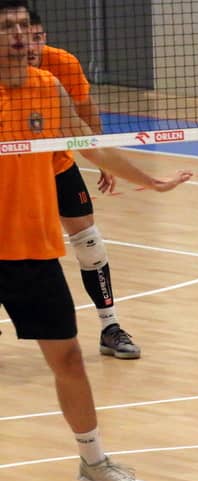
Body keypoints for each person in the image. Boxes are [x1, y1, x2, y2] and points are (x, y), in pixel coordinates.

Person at [0, 0, 192, 481]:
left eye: (22, 25)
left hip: (33, 251)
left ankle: (94, 463)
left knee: (69, 360)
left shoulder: (47, 86)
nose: (18, 34)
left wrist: (151, 180)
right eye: (6, 27)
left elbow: (93, 146)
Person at [26, 10, 140, 359]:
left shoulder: (62, 65)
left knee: (90, 243)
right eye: (23, 37)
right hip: (14, 174)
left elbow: (86, 109)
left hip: (57, 165)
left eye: (37, 37)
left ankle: (110, 327)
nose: (31, 45)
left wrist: (103, 158)